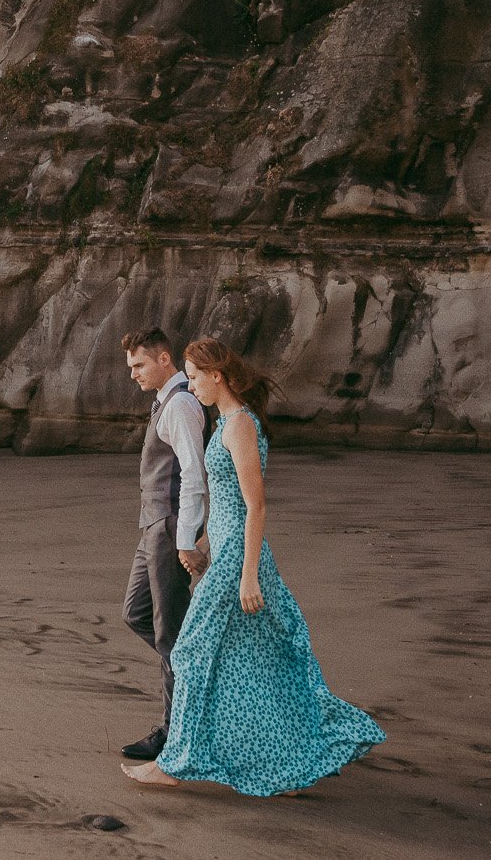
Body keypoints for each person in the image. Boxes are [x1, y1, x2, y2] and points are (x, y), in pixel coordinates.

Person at [124, 337, 384, 795]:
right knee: (259, 662)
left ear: (217, 376)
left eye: (196, 375)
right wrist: (201, 540)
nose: (192, 385)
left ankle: (174, 763)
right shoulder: (225, 421)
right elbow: (223, 502)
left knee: (189, 653)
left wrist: (246, 574)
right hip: (222, 549)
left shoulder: (239, 424)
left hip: (238, 560)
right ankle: (286, 754)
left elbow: (256, 506)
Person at [116, 329, 210, 763]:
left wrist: (188, 538)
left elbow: (193, 475)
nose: (133, 374)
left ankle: (175, 736)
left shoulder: (182, 405)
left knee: (170, 633)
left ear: (164, 359)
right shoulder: (166, 404)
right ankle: (202, 673)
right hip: (153, 526)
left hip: (170, 528)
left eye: (139, 365)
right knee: (136, 614)